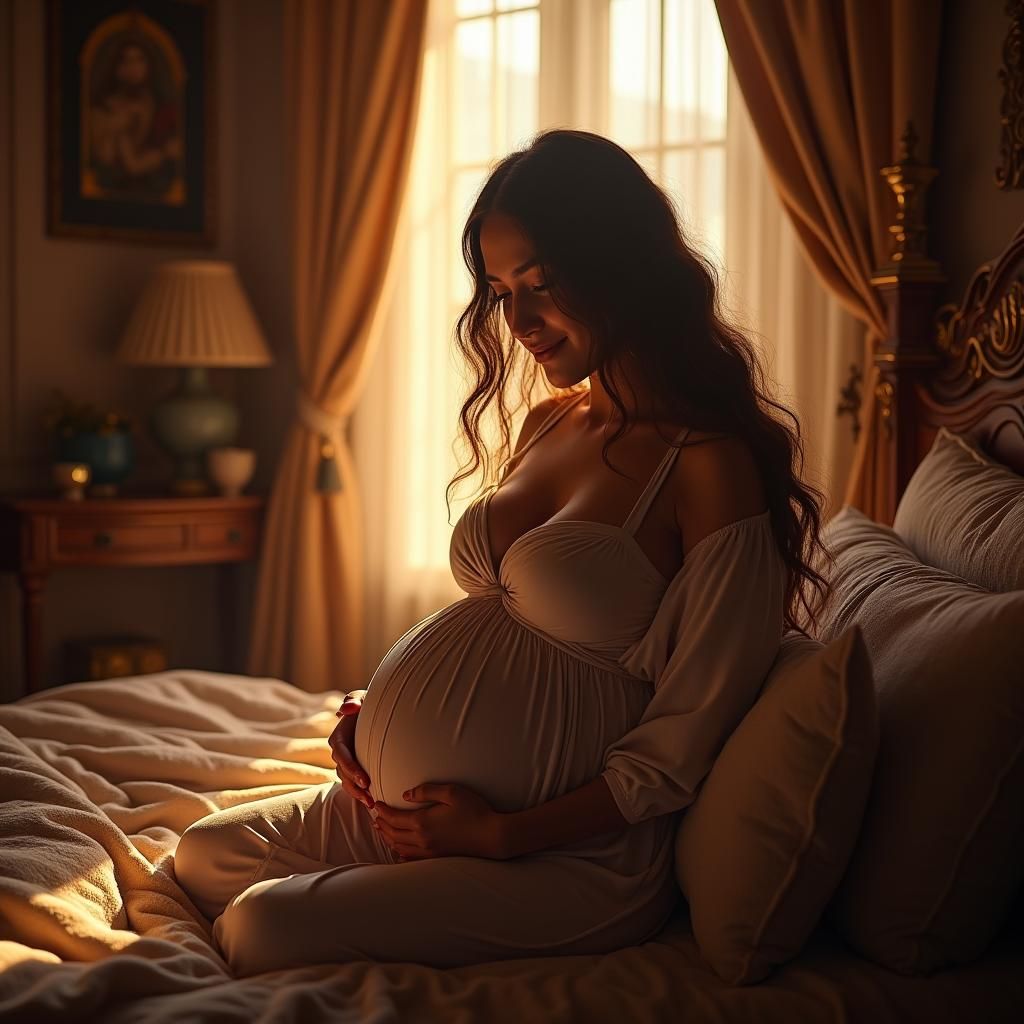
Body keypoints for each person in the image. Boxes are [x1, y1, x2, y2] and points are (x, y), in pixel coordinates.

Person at [174, 129, 828, 977]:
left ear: (621, 266)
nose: (517, 322)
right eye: (500, 290)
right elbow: (500, 624)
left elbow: (682, 743)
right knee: (201, 856)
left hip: (565, 858)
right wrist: (375, 724)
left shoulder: (709, 468)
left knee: (260, 928)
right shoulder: (552, 422)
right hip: (413, 814)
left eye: (542, 286)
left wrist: (500, 832)